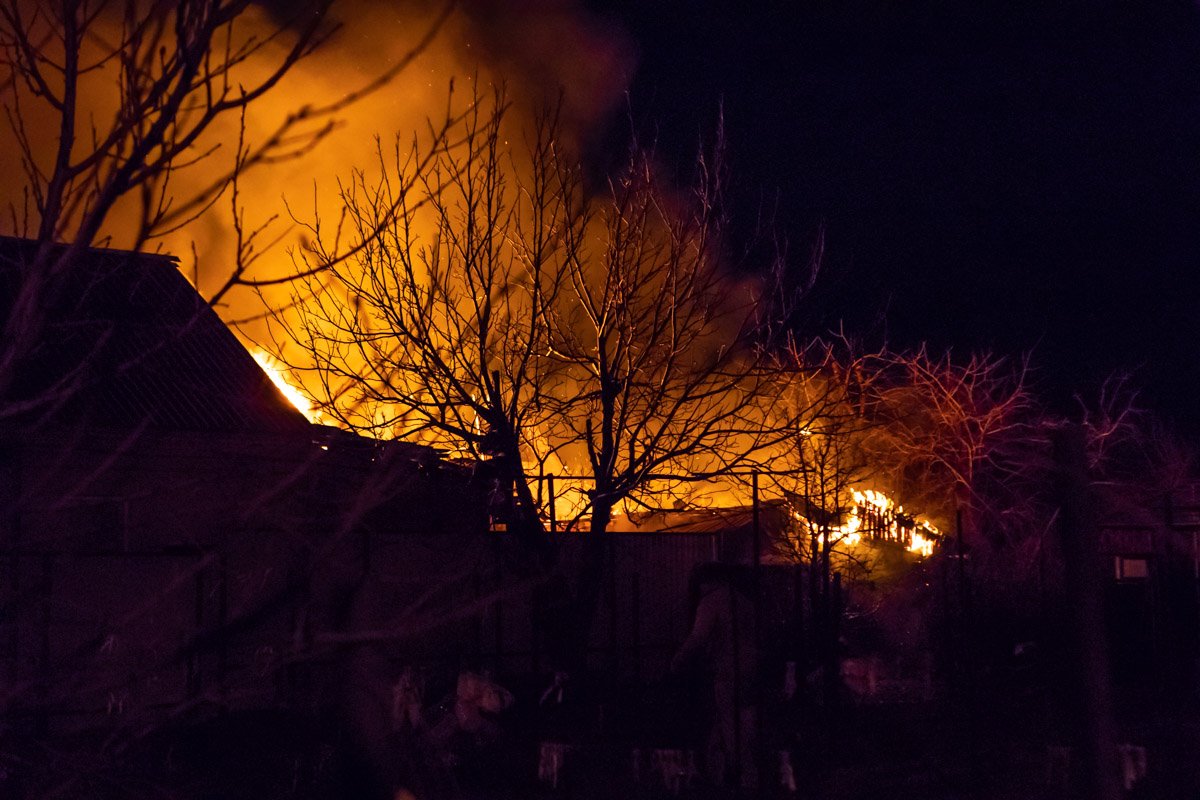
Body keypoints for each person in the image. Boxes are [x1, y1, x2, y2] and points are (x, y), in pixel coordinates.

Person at [671, 563, 760, 792]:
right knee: (744, 720)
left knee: (728, 721)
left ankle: (736, 772)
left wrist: (679, 659)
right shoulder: (743, 600)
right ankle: (734, 773)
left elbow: (699, 637)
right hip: (752, 667)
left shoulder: (711, 602)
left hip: (727, 670)